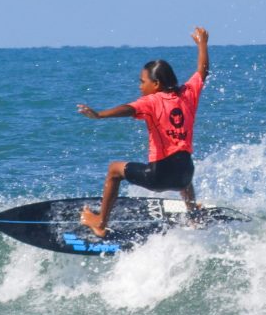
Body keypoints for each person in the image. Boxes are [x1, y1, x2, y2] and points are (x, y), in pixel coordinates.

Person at [77, 26, 210, 237]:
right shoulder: (188, 94)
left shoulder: (151, 101)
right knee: (182, 159)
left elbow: (128, 109)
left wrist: (100, 115)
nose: (140, 86)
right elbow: (202, 71)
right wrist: (202, 43)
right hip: (185, 176)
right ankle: (193, 214)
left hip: (159, 177)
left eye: (142, 81)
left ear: (156, 84)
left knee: (114, 170)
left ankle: (100, 223)